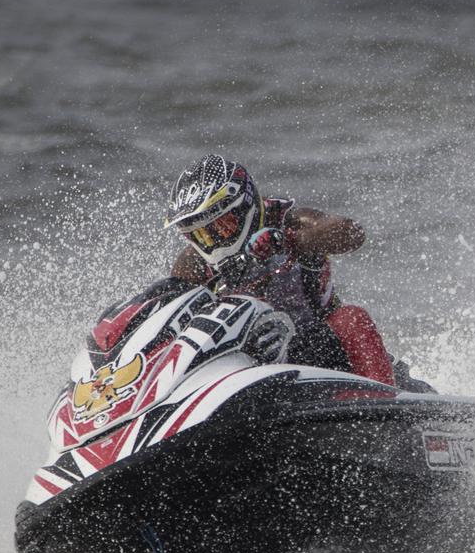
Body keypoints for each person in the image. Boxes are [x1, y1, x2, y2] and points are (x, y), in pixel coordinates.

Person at [163, 154, 396, 385]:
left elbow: (352, 234)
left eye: (222, 227)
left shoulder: (290, 221)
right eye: (201, 234)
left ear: (245, 207)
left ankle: (385, 397)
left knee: (352, 318)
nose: (213, 241)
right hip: (244, 357)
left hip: (320, 347)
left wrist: (288, 240)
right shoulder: (192, 263)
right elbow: (171, 316)